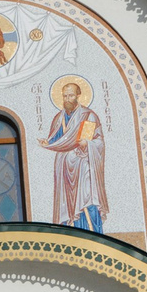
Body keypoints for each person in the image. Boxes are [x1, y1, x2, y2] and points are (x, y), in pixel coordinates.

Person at [42, 77, 107, 233]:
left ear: (78, 96)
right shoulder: (59, 118)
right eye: (65, 96)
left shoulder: (88, 116)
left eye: (70, 96)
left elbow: (94, 140)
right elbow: (56, 138)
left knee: (86, 199)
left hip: (83, 165)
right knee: (66, 203)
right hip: (64, 166)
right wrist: (47, 142)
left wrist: (87, 144)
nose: (67, 99)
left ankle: (93, 234)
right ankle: (68, 234)